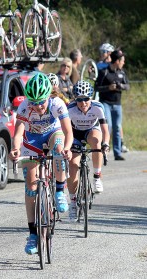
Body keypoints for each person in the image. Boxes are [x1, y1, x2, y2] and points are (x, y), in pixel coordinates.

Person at [9, 73, 73, 255]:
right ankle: (32, 234)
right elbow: (18, 133)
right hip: (32, 141)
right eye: (33, 102)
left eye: (41, 102)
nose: (37, 106)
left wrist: (67, 148)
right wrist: (15, 149)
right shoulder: (24, 107)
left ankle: (60, 190)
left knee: (59, 148)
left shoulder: (57, 104)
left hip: (53, 134)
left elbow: (68, 131)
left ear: (48, 96)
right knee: (30, 186)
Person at [66, 81, 110, 221]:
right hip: (74, 134)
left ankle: (97, 176)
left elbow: (105, 130)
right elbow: (64, 130)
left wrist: (106, 144)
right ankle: (73, 203)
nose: (83, 103)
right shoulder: (70, 109)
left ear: (91, 98)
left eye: (86, 99)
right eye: (79, 99)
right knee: (72, 165)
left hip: (91, 131)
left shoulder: (98, 107)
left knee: (97, 143)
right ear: (75, 99)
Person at [95, 50, 130, 160]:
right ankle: (103, 149)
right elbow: (96, 87)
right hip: (106, 103)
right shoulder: (104, 72)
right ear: (117, 61)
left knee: (117, 127)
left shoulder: (122, 72)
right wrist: (108, 88)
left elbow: (127, 86)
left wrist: (121, 86)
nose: (123, 63)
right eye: (122, 61)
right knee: (108, 126)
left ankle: (117, 152)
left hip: (117, 104)